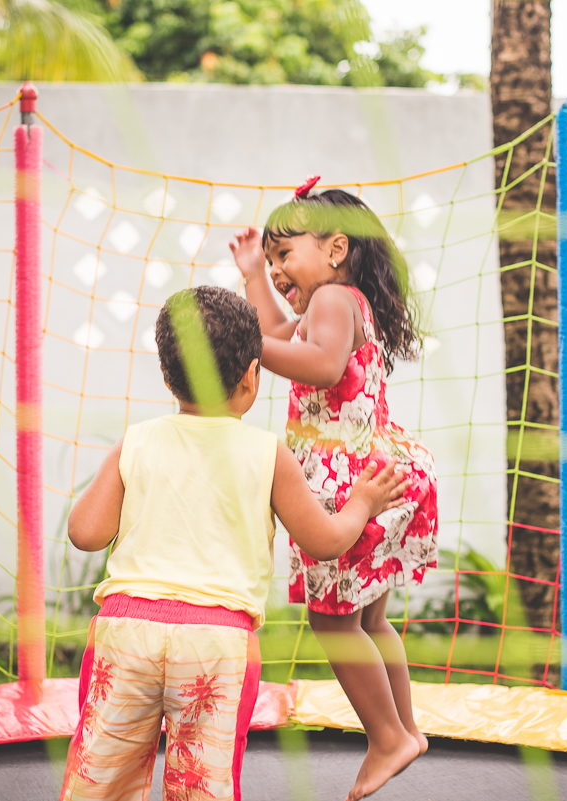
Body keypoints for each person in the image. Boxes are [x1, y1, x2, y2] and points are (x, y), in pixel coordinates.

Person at [60, 285, 409, 801]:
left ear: (165, 376)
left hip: (126, 630)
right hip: (216, 642)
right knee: (203, 784)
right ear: (252, 375)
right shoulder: (266, 453)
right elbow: (325, 542)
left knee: (101, 778)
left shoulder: (138, 439)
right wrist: (362, 502)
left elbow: (84, 533)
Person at [229, 181, 439, 801]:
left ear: (337, 248)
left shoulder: (333, 303)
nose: (276, 269)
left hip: (347, 481)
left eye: (283, 257)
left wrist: (239, 344)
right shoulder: (342, 302)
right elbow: (279, 332)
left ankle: (387, 738)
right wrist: (252, 281)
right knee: (370, 619)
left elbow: (316, 364)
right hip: (386, 468)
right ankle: (405, 729)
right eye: (269, 261)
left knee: (332, 621)